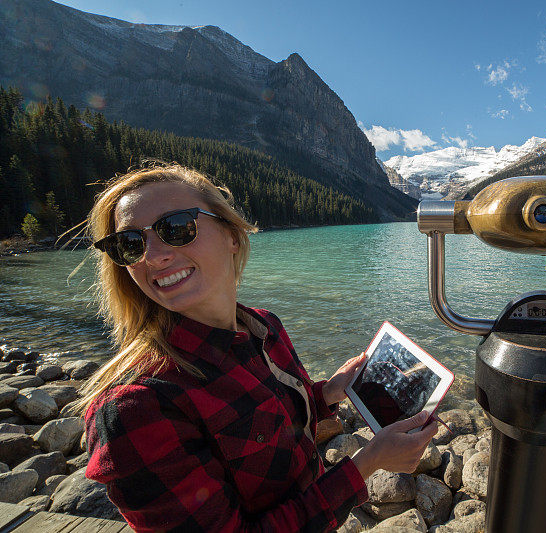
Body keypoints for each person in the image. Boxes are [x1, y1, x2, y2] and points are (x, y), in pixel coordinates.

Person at [79, 164, 438, 532]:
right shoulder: (134, 408)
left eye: (175, 228)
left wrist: (326, 394)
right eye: (130, 244)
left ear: (231, 234)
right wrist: (368, 464)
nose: (153, 256)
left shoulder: (264, 328)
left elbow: (266, 432)